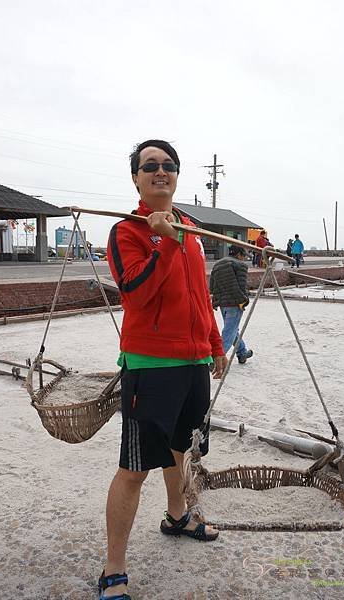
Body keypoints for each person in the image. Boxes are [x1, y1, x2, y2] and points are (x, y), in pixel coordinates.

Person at [102, 140, 227, 600]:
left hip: (194, 361)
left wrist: (214, 344)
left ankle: (178, 517)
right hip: (151, 366)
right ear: (135, 178)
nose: (160, 171)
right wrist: (167, 243)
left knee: (181, 451)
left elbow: (199, 294)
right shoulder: (126, 231)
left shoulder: (190, 227)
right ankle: (114, 566)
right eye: (149, 166)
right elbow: (135, 294)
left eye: (168, 166)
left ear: (177, 175)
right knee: (134, 468)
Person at [209, 244, 253, 364]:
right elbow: (240, 286)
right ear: (239, 254)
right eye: (244, 256)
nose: (244, 258)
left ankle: (242, 352)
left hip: (223, 304)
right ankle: (215, 359)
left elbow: (212, 286)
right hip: (235, 303)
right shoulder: (240, 265)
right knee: (229, 331)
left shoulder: (218, 264)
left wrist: (216, 301)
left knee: (233, 330)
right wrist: (244, 300)